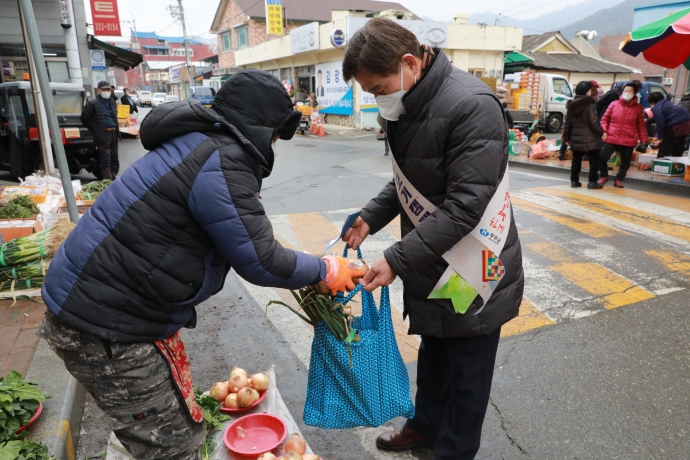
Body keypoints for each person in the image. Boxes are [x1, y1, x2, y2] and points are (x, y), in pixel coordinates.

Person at [39, 69, 365, 460]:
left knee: (177, 427)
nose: (277, 142)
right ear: (261, 125)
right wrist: (326, 270)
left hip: (105, 307)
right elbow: (261, 259)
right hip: (105, 324)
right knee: (172, 446)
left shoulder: (199, 142)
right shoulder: (223, 160)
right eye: (277, 132)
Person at [341, 18, 523, 460]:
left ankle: (454, 451)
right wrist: (370, 217)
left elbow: (465, 206)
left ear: (409, 63)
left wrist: (397, 258)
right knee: (436, 352)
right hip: (433, 254)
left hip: (478, 259)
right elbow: (407, 180)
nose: (377, 98)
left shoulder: (471, 105)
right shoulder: (409, 103)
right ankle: (425, 427)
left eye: (379, 87)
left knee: (468, 368)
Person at [599, 83, 647, 188]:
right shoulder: (614, 104)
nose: (627, 93)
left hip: (629, 138)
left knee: (625, 162)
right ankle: (604, 176)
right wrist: (604, 131)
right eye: (625, 91)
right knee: (602, 157)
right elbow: (604, 119)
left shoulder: (638, 108)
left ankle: (619, 179)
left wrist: (643, 139)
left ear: (635, 93)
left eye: (630, 91)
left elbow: (640, 125)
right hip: (611, 136)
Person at [562, 81, 604, 189]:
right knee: (594, 160)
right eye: (590, 90)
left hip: (576, 137)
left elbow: (567, 124)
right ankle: (592, 182)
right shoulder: (590, 104)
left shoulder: (571, 106)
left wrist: (566, 138)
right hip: (591, 138)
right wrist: (602, 132)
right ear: (587, 92)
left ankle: (574, 181)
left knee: (576, 159)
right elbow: (594, 122)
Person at [81, 80, 119, 180]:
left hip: (114, 132)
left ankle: (113, 176)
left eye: (108, 89)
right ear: (98, 90)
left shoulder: (111, 101)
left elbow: (114, 116)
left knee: (114, 158)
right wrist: (95, 129)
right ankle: (107, 181)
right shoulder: (93, 103)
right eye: (104, 89)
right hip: (103, 134)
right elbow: (84, 118)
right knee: (105, 158)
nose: (106, 92)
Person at [648, 91, 690, 157]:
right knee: (678, 147)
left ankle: (660, 165)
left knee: (665, 148)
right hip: (687, 123)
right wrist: (647, 120)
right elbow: (660, 118)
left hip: (677, 125)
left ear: (652, 101)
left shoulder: (657, 107)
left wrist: (660, 138)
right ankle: (676, 165)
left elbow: (661, 124)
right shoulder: (666, 103)